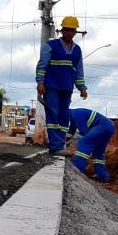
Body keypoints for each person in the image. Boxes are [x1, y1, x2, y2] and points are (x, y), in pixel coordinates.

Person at [36, 16, 88, 155]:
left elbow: (79, 71)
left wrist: (82, 88)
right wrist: (40, 82)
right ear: (62, 30)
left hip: (67, 88)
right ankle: (56, 146)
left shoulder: (77, 50)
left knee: (64, 116)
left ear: (75, 32)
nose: (69, 33)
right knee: (53, 114)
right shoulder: (50, 46)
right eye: (66, 30)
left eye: (72, 30)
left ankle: (59, 145)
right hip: (51, 86)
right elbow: (42, 65)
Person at [66, 108, 113, 181]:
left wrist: (71, 143)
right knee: (98, 153)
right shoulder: (73, 116)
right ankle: (103, 176)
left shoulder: (76, 114)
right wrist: (65, 141)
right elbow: (71, 131)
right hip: (109, 127)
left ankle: (78, 172)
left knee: (83, 141)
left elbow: (83, 132)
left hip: (102, 126)